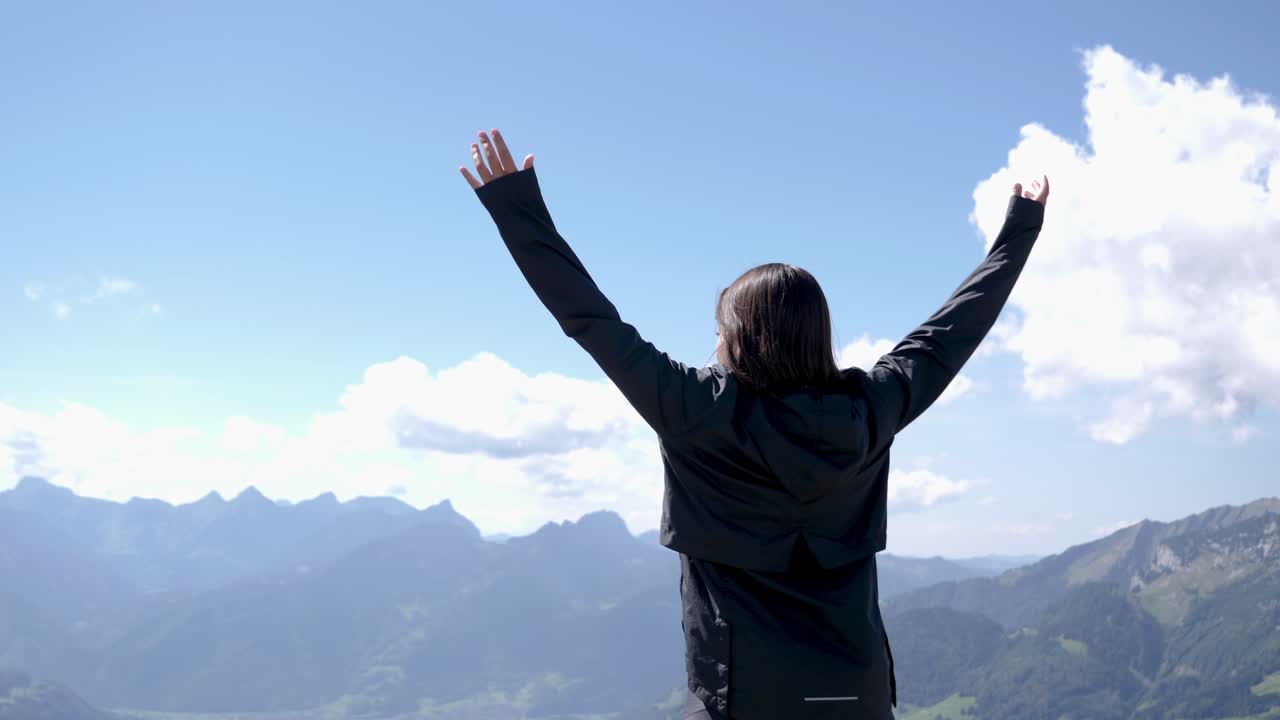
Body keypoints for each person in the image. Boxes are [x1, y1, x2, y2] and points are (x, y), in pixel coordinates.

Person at [461, 129, 1048, 720]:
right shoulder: (873, 408)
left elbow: (590, 319)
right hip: (855, 695)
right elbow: (953, 332)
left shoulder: (693, 408)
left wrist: (516, 207)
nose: (714, 342)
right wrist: (1020, 228)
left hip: (741, 699)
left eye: (720, 329)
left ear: (742, 337)